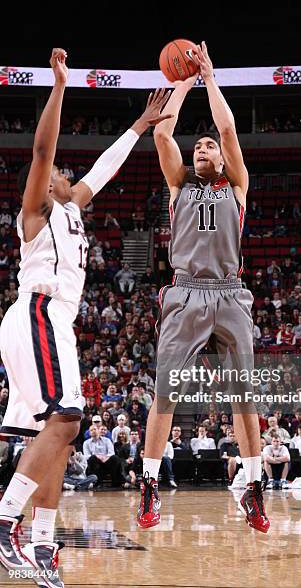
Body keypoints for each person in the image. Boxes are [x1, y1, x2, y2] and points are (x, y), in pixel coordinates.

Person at [0, 48, 171, 581]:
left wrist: (141, 125)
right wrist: (59, 87)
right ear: (46, 183)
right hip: (37, 312)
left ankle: (45, 542)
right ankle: (6, 521)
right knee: (68, 419)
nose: (64, 172)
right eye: (58, 173)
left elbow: (105, 165)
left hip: (58, 324)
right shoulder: (35, 210)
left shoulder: (73, 207)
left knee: (62, 431)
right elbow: (43, 147)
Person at [138, 42, 269, 534]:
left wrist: (210, 78)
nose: (203, 147)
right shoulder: (180, 185)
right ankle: (149, 487)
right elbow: (163, 134)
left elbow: (230, 129)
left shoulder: (236, 187)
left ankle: (253, 487)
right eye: (200, 146)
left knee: (244, 398)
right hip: (186, 292)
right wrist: (182, 83)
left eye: (209, 145)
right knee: (164, 396)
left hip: (231, 292)